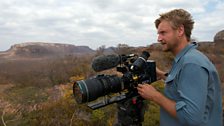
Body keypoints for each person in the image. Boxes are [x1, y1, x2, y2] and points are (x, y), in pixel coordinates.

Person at [137, 9, 222, 126]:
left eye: (163, 33)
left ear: (180, 30)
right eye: (158, 34)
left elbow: (191, 118)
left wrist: (155, 96)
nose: (159, 39)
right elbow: (183, 84)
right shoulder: (186, 58)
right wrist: (162, 75)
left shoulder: (192, 63)